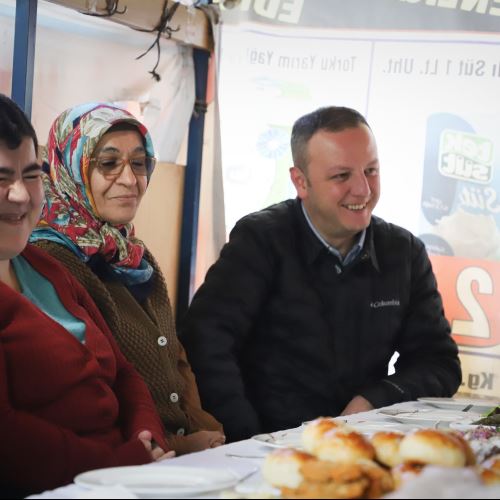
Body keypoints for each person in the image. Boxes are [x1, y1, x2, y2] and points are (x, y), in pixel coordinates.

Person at [179, 106, 462, 442]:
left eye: (371, 170)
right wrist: (246, 438)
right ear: (301, 181)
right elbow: (205, 343)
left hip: (360, 448)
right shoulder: (260, 239)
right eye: (342, 176)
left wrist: (376, 398)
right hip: (266, 448)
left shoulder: (403, 252)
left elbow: (439, 363)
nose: (363, 190)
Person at [0, 95, 173, 497]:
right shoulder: (61, 252)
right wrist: (126, 461)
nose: (22, 196)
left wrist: (148, 438)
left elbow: (125, 373)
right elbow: (8, 438)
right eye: (0, 178)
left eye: (30, 174)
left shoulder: (42, 266)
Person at [30, 102, 224, 455]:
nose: (129, 179)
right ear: (72, 167)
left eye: (139, 163)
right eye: (108, 163)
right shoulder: (52, 258)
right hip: (122, 463)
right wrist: (179, 446)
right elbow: (88, 391)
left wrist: (207, 432)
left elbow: (176, 360)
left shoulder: (131, 253)